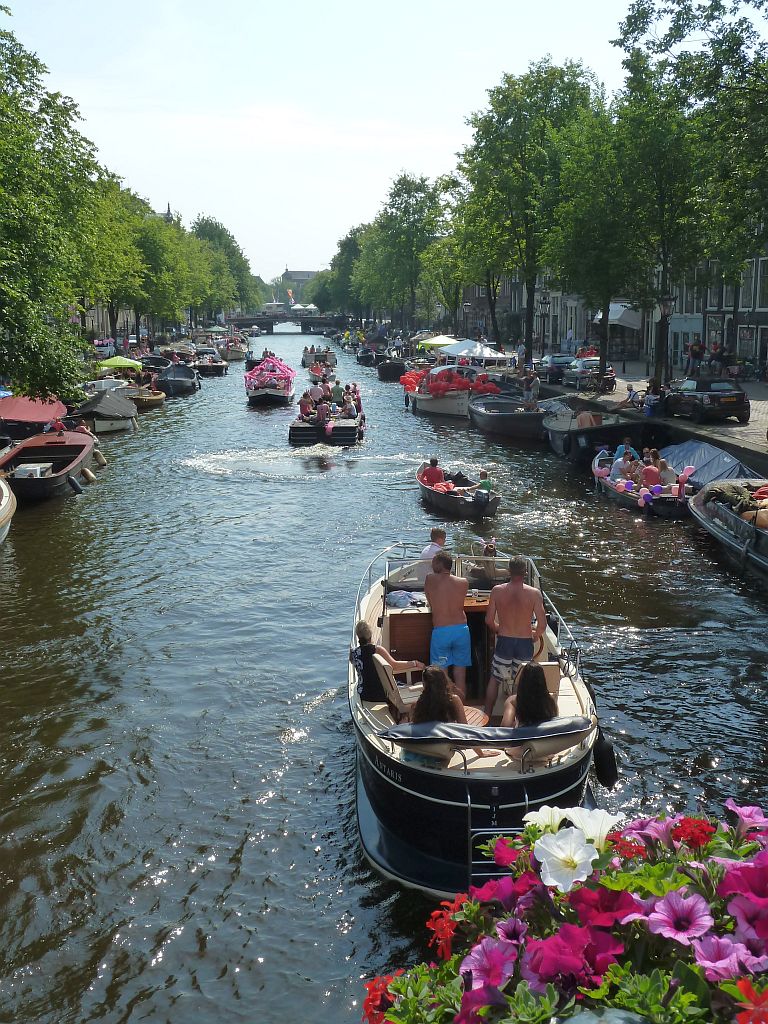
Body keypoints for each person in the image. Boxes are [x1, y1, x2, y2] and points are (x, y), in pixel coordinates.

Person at [483, 555, 546, 718]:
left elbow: (489, 620)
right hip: (525, 642)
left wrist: (499, 629)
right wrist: (535, 635)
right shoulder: (534, 593)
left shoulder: (497, 591)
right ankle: (517, 719)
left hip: (505, 640)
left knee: (495, 678)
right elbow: (542, 624)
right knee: (521, 682)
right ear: (525, 572)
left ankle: (487, 716)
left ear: (509, 571)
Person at [424, 550, 471, 699]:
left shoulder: (430, 579)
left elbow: (430, 601)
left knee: (441, 676)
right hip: (462, 630)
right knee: (460, 674)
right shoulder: (463, 582)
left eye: (434, 562)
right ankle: (461, 708)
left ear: (440, 563)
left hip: (442, 631)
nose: (432, 565)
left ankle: (445, 710)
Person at [350, 621, 425, 703]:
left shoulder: (353, 654)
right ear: (370, 634)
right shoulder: (377, 650)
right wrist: (415, 663)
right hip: (380, 694)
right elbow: (394, 665)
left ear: (358, 636)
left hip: (363, 693)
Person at [500, 662, 558, 757]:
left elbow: (504, 728)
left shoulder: (513, 701)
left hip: (523, 750)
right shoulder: (550, 701)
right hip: (546, 749)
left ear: (523, 680)